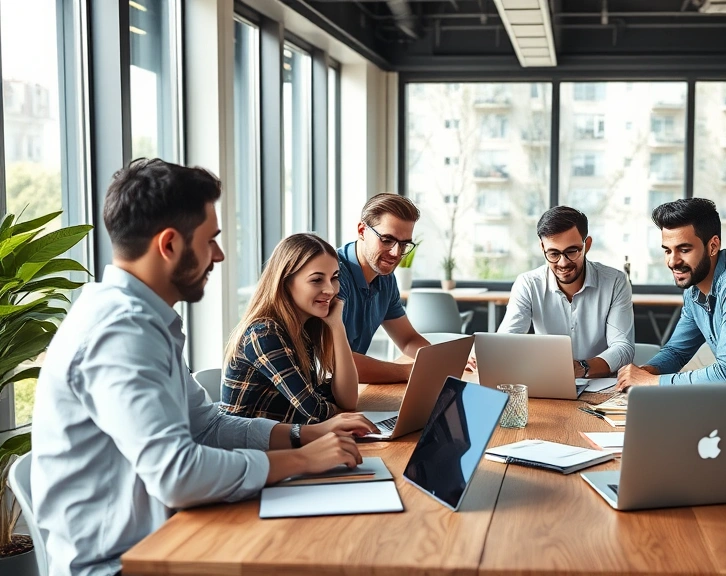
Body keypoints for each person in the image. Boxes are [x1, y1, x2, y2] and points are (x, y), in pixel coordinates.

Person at [31, 159, 375, 576]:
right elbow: (178, 475)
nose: (219, 254)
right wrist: (304, 460)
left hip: (168, 540)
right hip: (120, 565)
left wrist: (305, 434)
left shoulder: (143, 322)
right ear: (170, 244)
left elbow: (210, 426)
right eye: (210, 239)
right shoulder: (119, 333)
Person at [616, 198, 726, 390]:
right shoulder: (695, 287)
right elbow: (677, 351)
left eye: (684, 250)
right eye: (667, 251)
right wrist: (644, 372)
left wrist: (650, 381)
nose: (673, 261)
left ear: (713, 246)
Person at [221, 233, 375, 426]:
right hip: (248, 452)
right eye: (317, 280)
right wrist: (335, 409)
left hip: (281, 445)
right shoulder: (265, 334)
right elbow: (315, 412)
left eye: (334, 278)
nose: (330, 290)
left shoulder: (303, 329)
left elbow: (348, 399)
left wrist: (337, 326)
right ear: (285, 282)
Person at [471, 206, 634, 378]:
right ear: (542, 248)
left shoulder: (615, 282)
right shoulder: (528, 284)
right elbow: (507, 339)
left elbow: (623, 347)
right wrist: (485, 356)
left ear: (587, 245)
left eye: (572, 251)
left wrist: (582, 367)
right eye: (554, 253)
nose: (563, 263)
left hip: (600, 384)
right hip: (549, 382)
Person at [336, 193, 431, 383]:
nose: (396, 253)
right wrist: (408, 371)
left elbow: (408, 339)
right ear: (362, 231)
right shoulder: (332, 275)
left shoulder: (385, 278)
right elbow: (337, 363)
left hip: (345, 391)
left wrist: (440, 362)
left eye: (404, 244)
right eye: (387, 240)